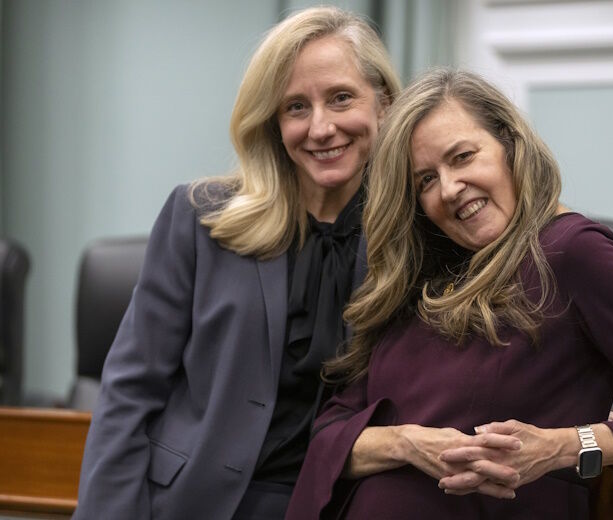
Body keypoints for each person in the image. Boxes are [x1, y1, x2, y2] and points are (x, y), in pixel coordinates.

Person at [285, 69, 613, 519]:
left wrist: (563, 446)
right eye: (425, 179)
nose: (448, 188)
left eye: (463, 156)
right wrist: (407, 443)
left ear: (510, 146)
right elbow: (329, 434)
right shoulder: (419, 282)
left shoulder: (571, 252)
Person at [73, 7, 401, 520]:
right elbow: (129, 392)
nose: (321, 127)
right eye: (296, 107)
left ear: (383, 104)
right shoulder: (199, 217)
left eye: (341, 98)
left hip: (338, 504)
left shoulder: (411, 240)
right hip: (194, 503)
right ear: (273, 121)